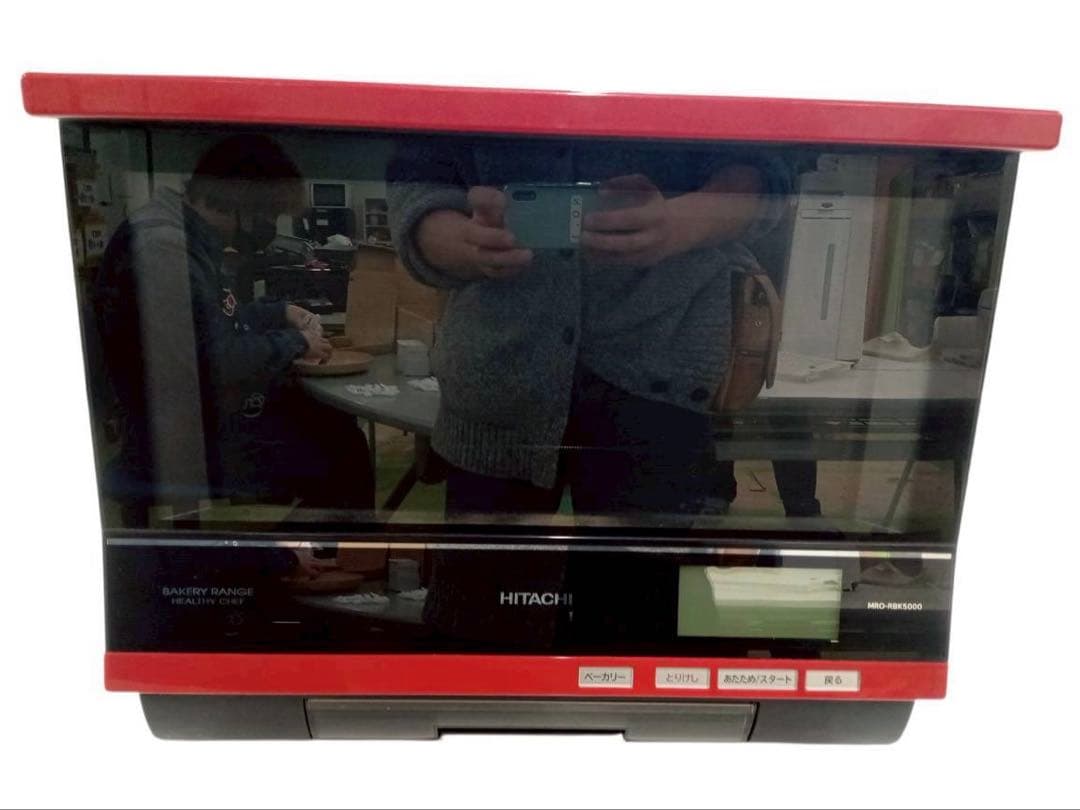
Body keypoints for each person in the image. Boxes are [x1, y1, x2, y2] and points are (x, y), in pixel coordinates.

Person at [388, 136, 792, 526]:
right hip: (506, 385)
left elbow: (764, 166)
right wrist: (461, 244)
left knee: (508, 567)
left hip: (648, 386)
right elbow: (418, 177)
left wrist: (681, 224)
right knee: (491, 572)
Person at [94, 133, 374, 524]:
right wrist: (296, 342)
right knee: (342, 449)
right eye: (270, 216)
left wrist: (279, 313)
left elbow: (213, 321)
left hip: (191, 420)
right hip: (178, 443)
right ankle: (298, 555)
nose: (270, 229)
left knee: (327, 422)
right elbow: (214, 362)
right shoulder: (164, 249)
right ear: (243, 203)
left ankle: (296, 551)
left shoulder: (182, 235)